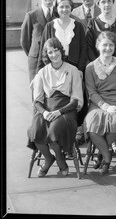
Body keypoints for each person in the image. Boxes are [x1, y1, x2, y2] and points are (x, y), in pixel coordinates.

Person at [27, 37, 84, 177]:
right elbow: (37, 100)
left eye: (56, 50)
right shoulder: (42, 72)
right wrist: (45, 113)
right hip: (46, 109)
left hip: (66, 110)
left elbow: (76, 100)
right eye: (50, 52)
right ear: (46, 54)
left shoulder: (72, 70)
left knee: (54, 130)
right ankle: (49, 158)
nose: (54, 55)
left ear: (61, 50)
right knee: (35, 130)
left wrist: (59, 112)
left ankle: (60, 160)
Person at [36, 0, 88, 145]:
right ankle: (52, 130)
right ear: (57, 9)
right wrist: (42, 71)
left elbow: (84, 49)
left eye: (67, 6)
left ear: (71, 8)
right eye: (61, 6)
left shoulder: (77, 26)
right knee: (54, 98)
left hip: (74, 70)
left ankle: (76, 132)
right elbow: (44, 50)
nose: (64, 9)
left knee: (75, 99)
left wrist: (80, 69)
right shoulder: (50, 26)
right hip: (55, 68)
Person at [83, 31, 116, 175]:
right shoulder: (90, 67)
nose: (108, 48)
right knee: (92, 126)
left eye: (111, 45)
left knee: (115, 123)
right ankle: (106, 156)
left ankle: (102, 155)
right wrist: (104, 106)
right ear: (98, 45)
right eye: (104, 45)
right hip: (98, 104)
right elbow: (91, 91)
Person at [86, 0, 116, 153]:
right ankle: (103, 143)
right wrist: (96, 64)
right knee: (98, 107)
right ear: (98, 4)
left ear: (113, 2)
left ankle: (112, 140)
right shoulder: (92, 23)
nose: (106, 4)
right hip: (99, 68)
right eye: (103, 2)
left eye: (109, 1)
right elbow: (89, 46)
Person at [20, 0, 57, 82]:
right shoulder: (31, 16)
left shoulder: (60, 14)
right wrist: (35, 54)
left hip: (56, 59)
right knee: (36, 92)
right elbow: (25, 42)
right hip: (35, 61)